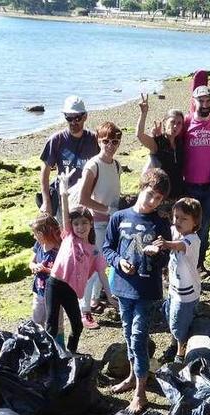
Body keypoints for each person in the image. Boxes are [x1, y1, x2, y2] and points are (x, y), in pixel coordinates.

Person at [103, 168, 172, 413]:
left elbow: (166, 260)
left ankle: (140, 393)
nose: (153, 201)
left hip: (147, 290)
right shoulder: (119, 217)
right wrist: (119, 261)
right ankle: (133, 376)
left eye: (159, 199)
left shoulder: (160, 223)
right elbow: (107, 248)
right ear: (142, 187)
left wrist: (157, 255)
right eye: (151, 194)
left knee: (138, 336)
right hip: (122, 287)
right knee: (127, 333)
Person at [45, 174, 112, 353]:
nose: (80, 227)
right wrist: (64, 192)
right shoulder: (68, 235)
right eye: (77, 224)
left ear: (91, 224)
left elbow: (102, 273)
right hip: (54, 284)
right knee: (50, 325)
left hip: (70, 290)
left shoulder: (94, 250)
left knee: (77, 325)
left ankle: (71, 353)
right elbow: (65, 215)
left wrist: (111, 296)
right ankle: (51, 357)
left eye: (84, 223)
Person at [76, 121, 123, 329]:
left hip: (111, 223)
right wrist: (107, 210)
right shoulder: (92, 166)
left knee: (103, 265)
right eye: (106, 141)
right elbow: (83, 199)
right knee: (91, 268)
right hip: (95, 225)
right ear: (99, 140)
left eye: (115, 141)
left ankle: (94, 300)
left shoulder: (116, 165)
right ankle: (83, 311)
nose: (110, 145)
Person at [155, 197, 202, 364]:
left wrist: (165, 243)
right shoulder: (177, 232)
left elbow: (179, 245)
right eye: (176, 217)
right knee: (170, 315)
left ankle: (180, 354)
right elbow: (167, 230)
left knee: (180, 323)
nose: (178, 221)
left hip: (186, 293)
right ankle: (174, 344)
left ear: (195, 222)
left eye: (184, 218)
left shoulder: (193, 239)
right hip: (174, 288)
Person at [38, 95, 100, 218]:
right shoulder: (56, 140)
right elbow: (44, 174)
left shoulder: (94, 139)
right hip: (64, 198)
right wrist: (46, 202)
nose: (73, 122)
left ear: (85, 116)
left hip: (89, 198)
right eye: (69, 118)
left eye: (77, 118)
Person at [183, 85, 210, 273]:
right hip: (189, 185)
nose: (205, 104)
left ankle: (199, 264)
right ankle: (185, 262)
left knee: (204, 228)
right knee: (186, 227)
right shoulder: (186, 122)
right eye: (201, 100)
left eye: (208, 101)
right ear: (194, 101)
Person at [136, 93, 186, 200]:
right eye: (172, 122)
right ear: (164, 122)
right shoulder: (157, 143)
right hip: (161, 197)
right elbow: (140, 135)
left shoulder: (180, 143)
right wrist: (143, 113)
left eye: (179, 123)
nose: (175, 126)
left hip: (179, 195)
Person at [28, 214, 62, 337]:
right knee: (37, 318)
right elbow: (31, 262)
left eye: (35, 233)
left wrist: (46, 270)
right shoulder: (39, 245)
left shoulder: (59, 250)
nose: (34, 236)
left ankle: (58, 347)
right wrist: (34, 266)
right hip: (39, 289)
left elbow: (62, 272)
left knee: (55, 321)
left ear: (43, 233)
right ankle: (39, 343)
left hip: (55, 292)